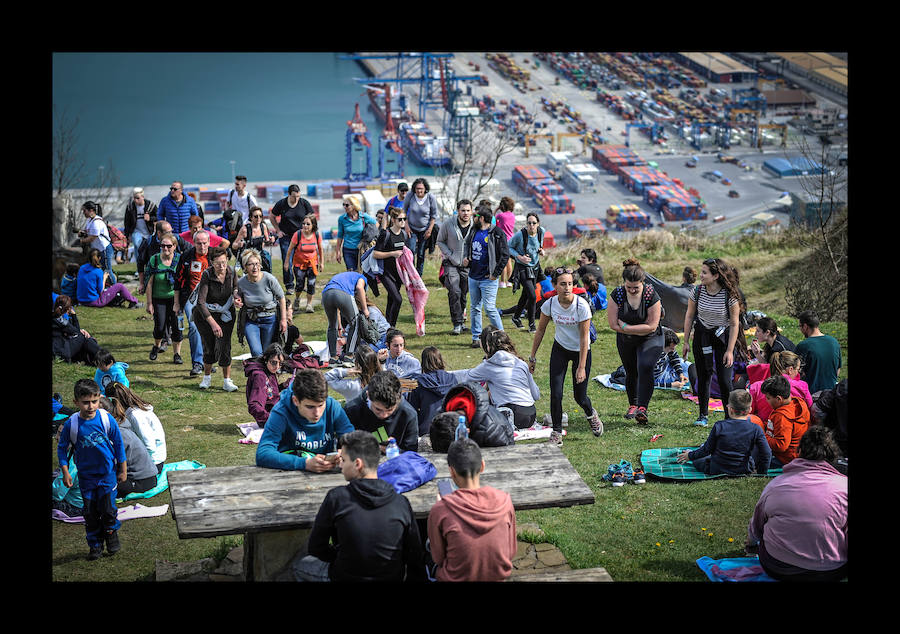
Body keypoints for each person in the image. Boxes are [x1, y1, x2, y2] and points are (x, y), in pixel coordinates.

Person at [291, 429, 424, 582]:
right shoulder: (401, 502)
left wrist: (340, 556)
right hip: (391, 576)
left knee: (300, 565)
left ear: (357, 464)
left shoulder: (337, 498)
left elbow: (316, 548)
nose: (340, 465)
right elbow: (414, 553)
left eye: (344, 460)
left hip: (345, 575)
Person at [746, 425, 847, 582]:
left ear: (799, 451)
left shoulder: (776, 485)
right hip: (831, 571)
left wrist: (751, 544)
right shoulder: (844, 486)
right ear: (833, 455)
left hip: (779, 567)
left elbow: (757, 528)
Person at [529, 267, 603, 445]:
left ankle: (591, 414)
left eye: (570, 284)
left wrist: (582, 367)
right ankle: (556, 433)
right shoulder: (550, 304)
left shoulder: (581, 306)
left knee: (580, 396)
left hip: (581, 351)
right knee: (556, 393)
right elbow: (540, 330)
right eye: (563, 284)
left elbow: (585, 338)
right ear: (554, 285)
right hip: (560, 349)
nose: (567, 288)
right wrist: (532, 356)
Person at [426, 437, 516, 582]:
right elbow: (511, 551)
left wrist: (441, 506)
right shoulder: (505, 501)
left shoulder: (441, 509)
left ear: (452, 471)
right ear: (482, 466)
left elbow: (438, 558)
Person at [56, 379, 127, 560]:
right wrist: (65, 471)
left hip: (108, 475)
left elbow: (119, 445)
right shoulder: (72, 424)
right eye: (85, 402)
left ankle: (111, 533)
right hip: (87, 478)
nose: (90, 406)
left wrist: (122, 469)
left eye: (94, 401)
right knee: (90, 513)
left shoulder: (106, 419)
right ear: (76, 402)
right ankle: (95, 544)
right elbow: (62, 449)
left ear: (99, 399)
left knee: (109, 510)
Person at [681, 257, 745, 428]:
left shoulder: (730, 295)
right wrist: (686, 341)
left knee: (725, 380)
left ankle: (728, 417)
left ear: (716, 275)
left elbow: (734, 323)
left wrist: (730, 350)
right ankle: (703, 415)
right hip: (702, 336)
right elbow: (689, 315)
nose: (700, 275)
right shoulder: (697, 291)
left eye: (704, 272)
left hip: (723, 338)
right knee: (704, 376)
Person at [255, 369, 355, 471]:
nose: (317, 413)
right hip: (287, 474)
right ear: (296, 401)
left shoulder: (333, 406)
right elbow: (263, 453)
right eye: (310, 407)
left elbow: (353, 441)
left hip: (323, 473)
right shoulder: (281, 412)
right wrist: (304, 463)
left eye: (321, 405)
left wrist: (344, 452)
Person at [607, 258, 664, 424]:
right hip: (626, 339)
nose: (632, 291)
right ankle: (633, 404)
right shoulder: (617, 294)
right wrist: (629, 329)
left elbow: (652, 326)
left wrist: (626, 327)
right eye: (628, 287)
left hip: (651, 338)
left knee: (645, 366)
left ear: (643, 282)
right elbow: (612, 324)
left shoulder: (651, 295)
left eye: (636, 288)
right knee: (630, 370)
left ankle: (642, 408)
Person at [453, 326, 540, 430]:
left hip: (512, 415)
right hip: (531, 414)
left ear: (488, 346)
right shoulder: (521, 363)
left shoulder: (489, 366)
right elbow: (536, 395)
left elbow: (465, 377)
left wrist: (442, 374)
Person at [676, 389, 771, 476]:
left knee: (699, 459)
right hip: (744, 469)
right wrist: (762, 473)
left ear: (730, 409)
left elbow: (706, 450)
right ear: (749, 410)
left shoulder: (719, 426)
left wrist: (690, 455)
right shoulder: (755, 428)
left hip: (717, 469)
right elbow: (766, 453)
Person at [193, 247, 239, 392]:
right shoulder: (207, 275)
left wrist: (237, 298)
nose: (222, 266)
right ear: (211, 262)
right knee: (209, 345)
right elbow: (200, 302)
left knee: (225, 346)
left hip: (226, 314)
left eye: (224, 262)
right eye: (218, 263)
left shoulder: (232, 272)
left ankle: (227, 381)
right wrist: (213, 323)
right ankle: (206, 378)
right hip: (205, 315)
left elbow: (236, 289)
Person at [463, 207, 509, 349]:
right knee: (475, 307)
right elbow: (467, 244)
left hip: (488, 279)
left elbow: (505, 255)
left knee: (489, 308)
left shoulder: (497, 233)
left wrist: (495, 274)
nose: (474, 218)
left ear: (482, 218)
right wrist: (466, 257)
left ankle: (502, 336)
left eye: (476, 216)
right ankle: (476, 337)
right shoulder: (473, 230)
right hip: (473, 276)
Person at [343, 370, 419, 453]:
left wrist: (395, 450)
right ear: (368, 396)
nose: (384, 415)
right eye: (378, 409)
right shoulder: (352, 410)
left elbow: (411, 453)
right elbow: (344, 445)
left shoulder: (408, 414)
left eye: (390, 410)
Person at [234, 248, 287, 359]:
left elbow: (281, 297)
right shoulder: (241, 282)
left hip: (269, 319)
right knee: (256, 352)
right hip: (251, 320)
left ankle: (264, 375)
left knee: (266, 352)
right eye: (251, 264)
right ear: (245, 267)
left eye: (257, 264)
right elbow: (237, 294)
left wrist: (283, 320)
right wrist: (237, 298)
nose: (255, 267)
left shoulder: (269, 278)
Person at [103, 395, 158, 499]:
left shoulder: (118, 434)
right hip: (145, 477)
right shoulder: (120, 425)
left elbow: (111, 463)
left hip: (142, 481)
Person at [174, 229, 213, 376]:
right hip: (191, 298)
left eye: (204, 243)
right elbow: (178, 281)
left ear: (209, 242)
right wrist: (176, 303)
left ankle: (208, 360)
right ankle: (197, 362)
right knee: (194, 327)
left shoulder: (214, 256)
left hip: (211, 298)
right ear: (193, 243)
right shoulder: (186, 257)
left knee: (209, 329)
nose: (202, 246)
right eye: (199, 243)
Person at [106, 382, 167, 474]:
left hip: (153, 463)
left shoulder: (136, 416)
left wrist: (143, 464)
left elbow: (150, 445)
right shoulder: (131, 412)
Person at [436, 199, 475, 335]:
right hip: (450, 263)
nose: (465, 213)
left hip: (468, 265)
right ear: (458, 211)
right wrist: (450, 254)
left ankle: (462, 321)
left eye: (468, 211)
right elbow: (440, 241)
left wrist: (470, 258)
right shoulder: (448, 224)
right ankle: (457, 323)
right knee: (454, 291)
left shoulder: (475, 226)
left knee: (463, 294)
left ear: (472, 211)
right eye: (463, 210)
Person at [145, 232, 184, 364]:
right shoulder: (154, 260)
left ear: (174, 246)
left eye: (168, 246)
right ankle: (156, 346)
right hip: (158, 298)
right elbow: (149, 283)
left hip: (176, 299)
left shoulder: (179, 259)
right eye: (162, 246)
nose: (165, 249)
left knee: (177, 326)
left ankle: (177, 354)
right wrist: (149, 303)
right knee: (160, 326)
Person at [756, 374, 810, 468]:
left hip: (785, 459)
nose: (766, 400)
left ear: (778, 399)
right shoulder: (796, 402)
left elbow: (781, 445)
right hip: (796, 455)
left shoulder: (782, 417)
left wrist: (761, 436)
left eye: (768, 398)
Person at [270, 183, 315, 295]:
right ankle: (289, 285)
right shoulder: (282, 204)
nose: (296, 199)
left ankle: (301, 284)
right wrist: (278, 230)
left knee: (302, 262)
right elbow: (272, 216)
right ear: (289, 195)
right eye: (294, 196)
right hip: (286, 237)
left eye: (298, 196)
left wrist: (309, 231)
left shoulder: (304, 203)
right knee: (287, 261)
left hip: (301, 237)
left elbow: (312, 218)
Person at [506, 212, 546, 333]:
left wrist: (541, 250)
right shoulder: (520, 235)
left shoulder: (541, 231)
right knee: (532, 295)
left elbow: (539, 246)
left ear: (538, 224)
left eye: (534, 223)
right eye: (529, 223)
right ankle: (532, 324)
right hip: (522, 267)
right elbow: (508, 247)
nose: (531, 225)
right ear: (526, 224)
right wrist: (519, 257)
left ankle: (516, 317)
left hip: (535, 267)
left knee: (525, 295)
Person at [406, 346, 458, 437]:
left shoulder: (418, 383)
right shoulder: (452, 379)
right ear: (440, 360)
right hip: (450, 429)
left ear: (423, 363)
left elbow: (411, 410)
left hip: (426, 431)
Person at [748, 350, 813, 423]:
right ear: (790, 369)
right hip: (795, 430)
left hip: (765, 430)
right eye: (798, 369)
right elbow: (810, 409)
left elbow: (749, 411)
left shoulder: (756, 387)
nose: (798, 372)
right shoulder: (801, 386)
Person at [372, 206, 410, 327]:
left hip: (398, 274)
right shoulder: (385, 234)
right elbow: (375, 254)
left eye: (404, 219)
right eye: (400, 219)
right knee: (398, 299)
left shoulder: (404, 234)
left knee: (391, 299)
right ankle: (392, 326)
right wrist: (392, 254)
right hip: (386, 273)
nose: (403, 222)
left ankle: (386, 326)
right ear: (393, 220)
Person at [321, 270, 370, 361]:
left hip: (326, 293)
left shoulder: (344, 276)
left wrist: (339, 326)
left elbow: (337, 308)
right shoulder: (362, 278)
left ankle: (333, 357)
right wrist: (365, 309)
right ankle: (350, 356)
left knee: (332, 326)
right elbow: (359, 288)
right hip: (342, 293)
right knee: (356, 323)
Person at [242, 342, 291, 427]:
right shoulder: (260, 376)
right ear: (265, 358)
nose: (277, 367)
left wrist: (283, 386)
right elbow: (254, 405)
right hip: (271, 419)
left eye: (280, 364)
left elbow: (269, 392)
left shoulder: (268, 371)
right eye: (274, 362)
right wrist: (271, 420)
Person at [76, 248, 142, 309]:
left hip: (81, 300)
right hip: (94, 302)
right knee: (120, 286)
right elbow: (100, 290)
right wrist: (104, 278)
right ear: (99, 258)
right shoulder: (98, 271)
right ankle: (134, 302)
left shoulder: (82, 268)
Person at [284, 214, 324, 313]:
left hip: (313, 264)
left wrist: (322, 263)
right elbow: (289, 249)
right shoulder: (297, 234)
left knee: (311, 284)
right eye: (303, 224)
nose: (305, 226)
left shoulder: (316, 235)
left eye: (308, 224)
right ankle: (297, 299)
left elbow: (320, 249)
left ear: (313, 225)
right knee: (299, 285)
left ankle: (309, 305)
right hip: (299, 265)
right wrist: (286, 263)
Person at [795, 310, 842, 394]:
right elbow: (837, 370)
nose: (800, 330)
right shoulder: (834, 342)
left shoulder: (803, 346)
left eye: (800, 326)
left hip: (812, 395)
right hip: (832, 393)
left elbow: (795, 373)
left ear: (805, 326)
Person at [136, 220, 186, 295]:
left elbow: (189, 250)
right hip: (155, 281)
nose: (171, 234)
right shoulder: (148, 243)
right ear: (159, 233)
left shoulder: (176, 239)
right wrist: (141, 283)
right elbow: (140, 263)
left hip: (174, 280)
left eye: (171, 231)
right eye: (168, 232)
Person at [402, 177, 439, 276]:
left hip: (425, 229)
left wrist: (430, 229)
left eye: (421, 188)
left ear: (425, 189)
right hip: (412, 228)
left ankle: (419, 274)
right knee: (411, 251)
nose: (419, 191)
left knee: (421, 253)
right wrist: (406, 225)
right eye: (417, 188)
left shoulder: (430, 197)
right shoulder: (410, 196)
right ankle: (411, 273)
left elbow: (433, 215)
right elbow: (404, 211)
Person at [52, 294, 101, 365]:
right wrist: (74, 315)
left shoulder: (56, 319)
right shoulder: (62, 321)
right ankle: (103, 357)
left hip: (56, 351)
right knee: (84, 337)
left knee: (85, 339)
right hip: (62, 353)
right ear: (68, 309)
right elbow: (77, 332)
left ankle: (92, 357)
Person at [78, 201, 117, 284]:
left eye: (84, 211)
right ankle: (107, 287)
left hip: (105, 248)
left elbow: (93, 237)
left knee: (107, 270)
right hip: (99, 249)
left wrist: (81, 241)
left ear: (91, 210)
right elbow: (89, 231)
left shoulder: (96, 222)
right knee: (102, 269)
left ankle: (115, 289)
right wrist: (82, 232)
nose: (83, 213)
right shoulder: (90, 220)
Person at [334, 195, 376, 271]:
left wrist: (370, 236)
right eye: (343, 205)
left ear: (354, 206)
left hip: (361, 249)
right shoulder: (342, 219)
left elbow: (376, 224)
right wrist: (338, 252)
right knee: (351, 272)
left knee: (363, 272)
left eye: (347, 205)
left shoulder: (363, 217)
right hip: (348, 250)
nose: (344, 207)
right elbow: (340, 236)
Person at [233, 205, 275, 272]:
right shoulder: (245, 229)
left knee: (267, 261)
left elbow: (267, 241)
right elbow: (234, 245)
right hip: (248, 255)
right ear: (251, 217)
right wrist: (238, 244)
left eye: (260, 216)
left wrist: (271, 240)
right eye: (256, 216)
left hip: (260, 254)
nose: (258, 218)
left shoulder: (263, 227)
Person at [123, 187, 158, 263]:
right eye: (134, 198)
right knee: (137, 245)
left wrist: (150, 219)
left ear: (143, 197)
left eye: (138, 198)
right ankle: (140, 266)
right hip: (136, 231)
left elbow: (158, 216)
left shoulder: (150, 205)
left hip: (148, 231)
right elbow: (127, 222)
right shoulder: (130, 207)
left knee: (150, 248)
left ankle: (148, 264)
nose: (135, 200)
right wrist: (127, 235)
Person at [494, 196, 517, 288]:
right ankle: (509, 281)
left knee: (502, 261)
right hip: (511, 239)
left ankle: (502, 282)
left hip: (502, 240)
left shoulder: (500, 216)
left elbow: (492, 220)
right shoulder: (512, 215)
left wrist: (496, 210)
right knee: (509, 262)